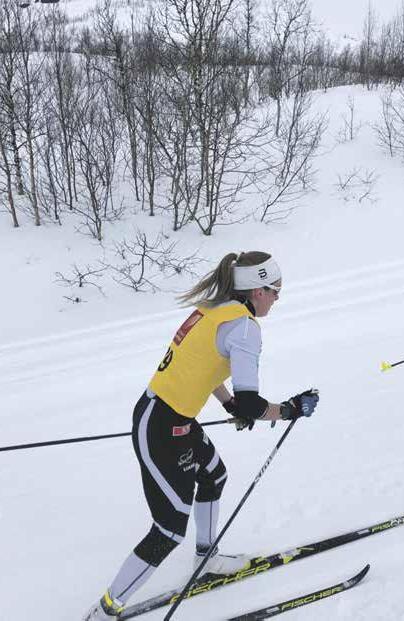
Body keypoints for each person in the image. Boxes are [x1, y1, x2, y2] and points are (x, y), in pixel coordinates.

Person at [83, 251, 319, 620]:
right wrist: (290, 410)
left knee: (214, 476)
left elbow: (202, 367)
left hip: (170, 417)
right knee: (169, 530)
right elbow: (251, 404)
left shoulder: (216, 308)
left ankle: (206, 558)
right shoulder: (244, 327)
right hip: (161, 427)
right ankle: (104, 610)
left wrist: (228, 405)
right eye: (275, 291)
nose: (276, 299)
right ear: (258, 291)